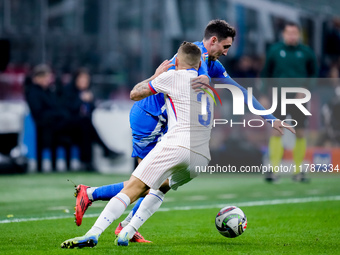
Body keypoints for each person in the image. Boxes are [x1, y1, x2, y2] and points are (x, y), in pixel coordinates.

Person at [71, 19, 292, 242]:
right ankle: (94, 198)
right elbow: (189, 72)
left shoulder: (211, 64)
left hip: (170, 123)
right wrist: (202, 74)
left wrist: (270, 118)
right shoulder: (189, 54)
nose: (226, 53)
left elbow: (240, 91)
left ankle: (124, 224)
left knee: (158, 184)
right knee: (145, 185)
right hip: (150, 117)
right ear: (213, 41)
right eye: (225, 47)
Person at [261, 22, 318, 182]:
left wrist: (306, 90)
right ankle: (273, 171)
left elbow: (314, 75)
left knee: (300, 132)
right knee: (276, 130)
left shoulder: (306, 52)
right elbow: (265, 73)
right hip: (278, 96)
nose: (292, 36)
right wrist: (264, 94)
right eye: (289, 33)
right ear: (284, 34)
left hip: (300, 99)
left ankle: (298, 172)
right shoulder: (275, 51)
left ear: (299, 34)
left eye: (294, 33)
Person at [62, 68, 121, 171]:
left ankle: (88, 162)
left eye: (86, 80)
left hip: (82, 126)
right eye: (82, 79)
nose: (84, 82)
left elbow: (91, 109)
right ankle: (105, 150)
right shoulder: (68, 91)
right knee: (86, 125)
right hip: (67, 125)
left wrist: (89, 101)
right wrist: (81, 100)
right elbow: (68, 109)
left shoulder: (88, 92)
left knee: (86, 128)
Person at [24, 64, 73, 171]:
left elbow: (57, 105)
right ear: (38, 78)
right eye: (46, 77)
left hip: (54, 122)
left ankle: (62, 165)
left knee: (70, 125)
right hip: (45, 124)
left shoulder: (49, 91)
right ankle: (43, 167)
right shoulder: (33, 92)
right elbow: (39, 112)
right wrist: (57, 114)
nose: (49, 80)